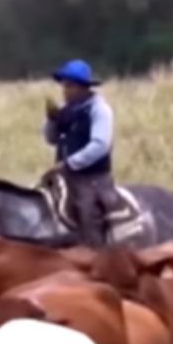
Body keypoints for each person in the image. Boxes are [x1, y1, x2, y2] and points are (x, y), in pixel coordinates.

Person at [43, 59, 124, 247]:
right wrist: (52, 121)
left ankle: (96, 254)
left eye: (69, 86)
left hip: (92, 179)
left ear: (82, 87)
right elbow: (51, 139)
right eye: (64, 85)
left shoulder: (99, 110)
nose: (64, 90)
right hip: (65, 175)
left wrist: (70, 163)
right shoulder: (67, 111)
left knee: (87, 212)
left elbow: (100, 145)